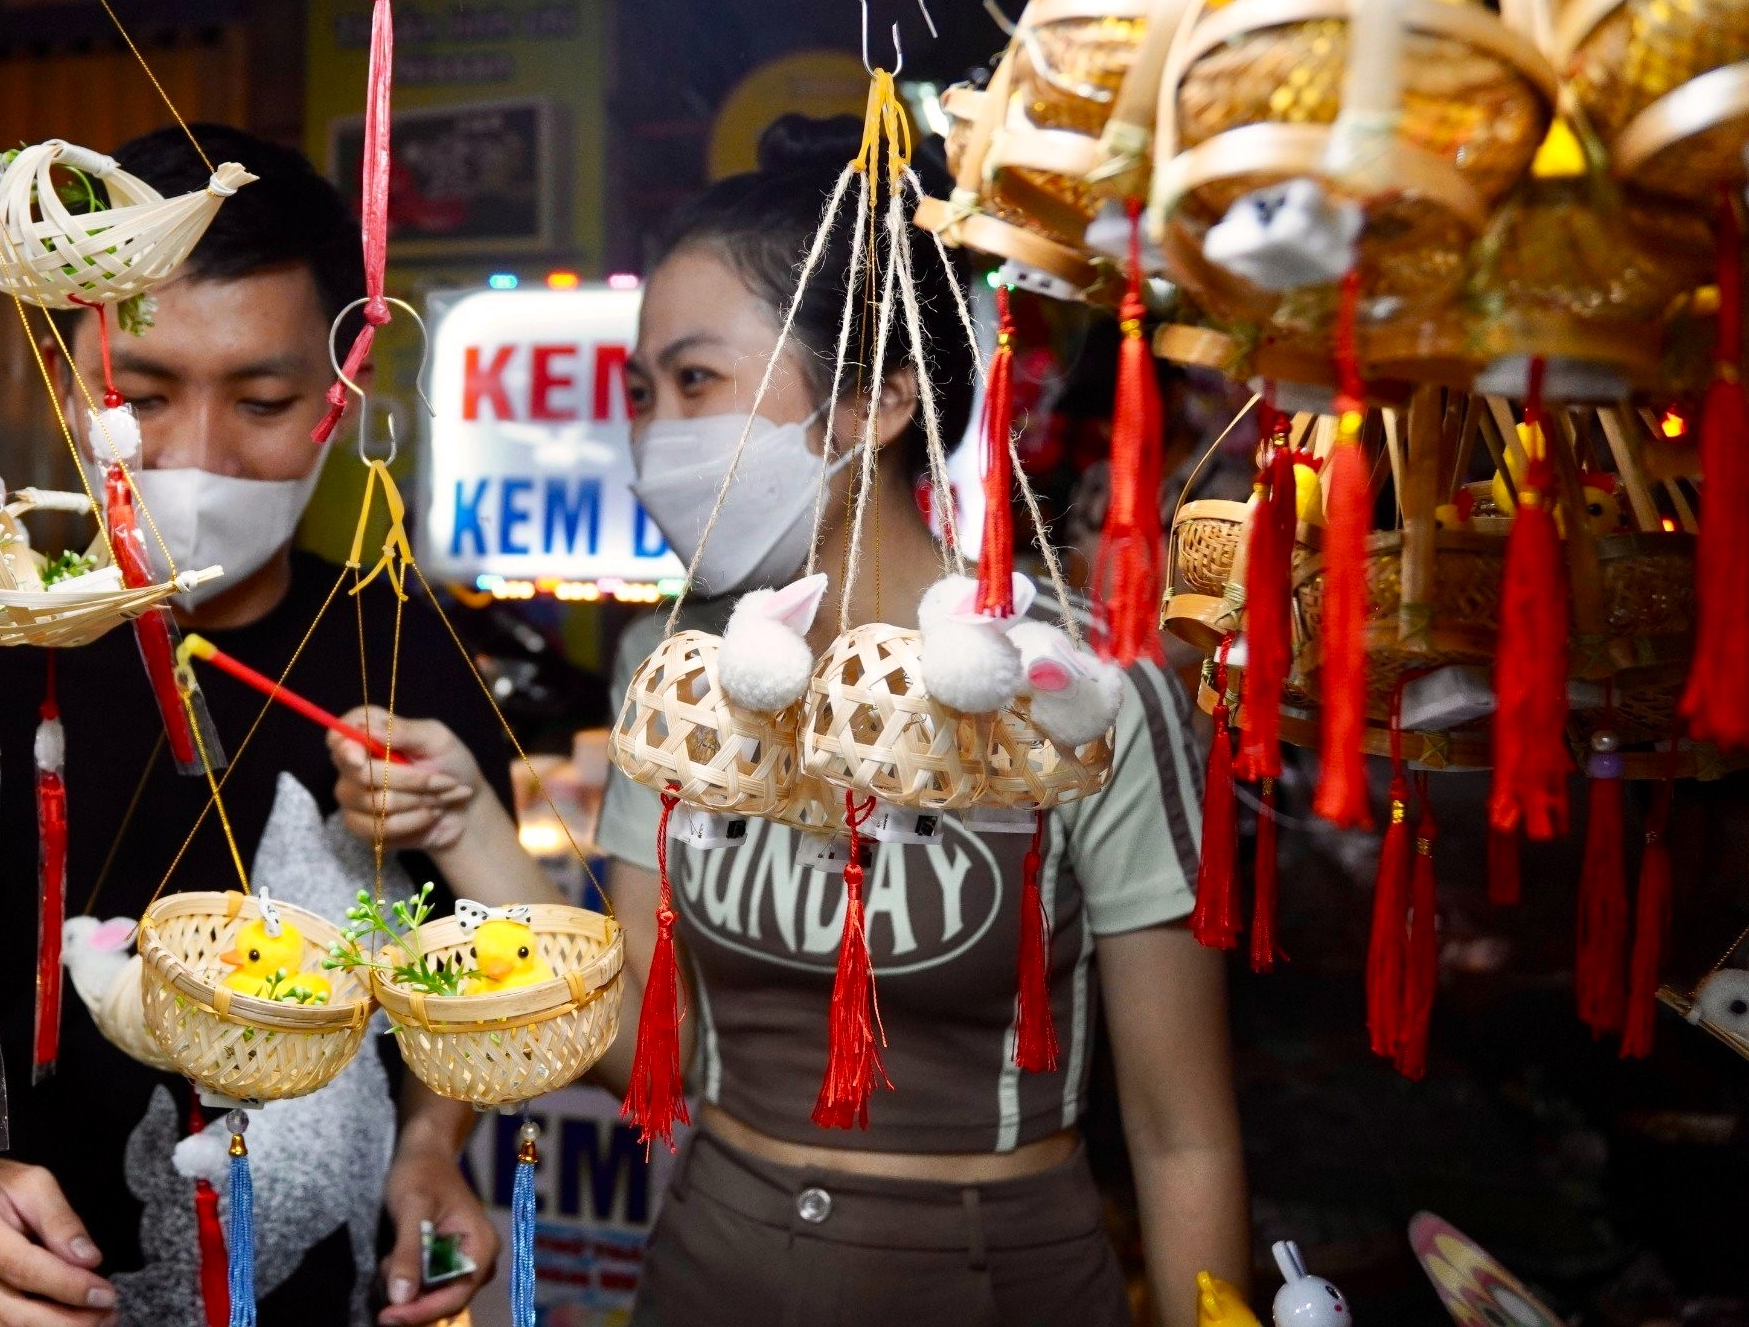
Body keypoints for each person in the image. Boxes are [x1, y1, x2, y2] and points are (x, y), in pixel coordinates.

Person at [322, 115, 1249, 1325]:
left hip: (986, 1281)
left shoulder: (1073, 690)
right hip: (711, 1263)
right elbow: (636, 1037)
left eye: (697, 383)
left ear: (874, 403)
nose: (657, 434)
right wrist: (464, 827)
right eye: (643, 393)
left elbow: (1182, 1140)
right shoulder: (676, 665)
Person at [0, 123, 510, 1327]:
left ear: (340, 398)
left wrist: (431, 1143)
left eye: (261, 397)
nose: (192, 457)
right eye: (139, 396)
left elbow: (474, 976)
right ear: (66, 377)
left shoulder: (407, 654)